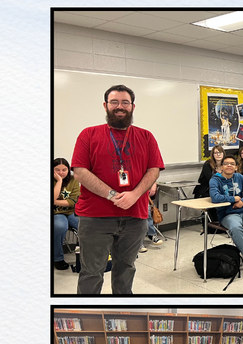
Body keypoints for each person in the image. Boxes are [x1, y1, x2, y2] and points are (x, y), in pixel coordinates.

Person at [71, 84, 164, 296]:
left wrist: (134, 195)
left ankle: (122, 311)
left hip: (135, 216)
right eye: (114, 102)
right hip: (95, 217)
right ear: (105, 105)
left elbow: (154, 169)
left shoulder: (146, 136)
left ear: (132, 106)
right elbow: (79, 171)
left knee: (125, 270)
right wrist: (112, 195)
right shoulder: (88, 134)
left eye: (125, 102)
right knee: (91, 272)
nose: (119, 107)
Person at [53, 157, 80, 271]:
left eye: (64, 170)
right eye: (57, 170)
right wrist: (59, 181)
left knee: (85, 225)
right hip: (56, 213)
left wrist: (54, 201)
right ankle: (57, 258)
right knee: (59, 226)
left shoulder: (73, 180)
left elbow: (74, 201)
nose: (61, 172)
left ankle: (88, 256)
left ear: (68, 170)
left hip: (71, 212)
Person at [139, 182, 163, 251]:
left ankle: (151, 234)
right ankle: (139, 242)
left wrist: (153, 183)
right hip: (129, 191)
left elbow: (151, 172)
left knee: (147, 213)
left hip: (142, 190)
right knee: (137, 219)